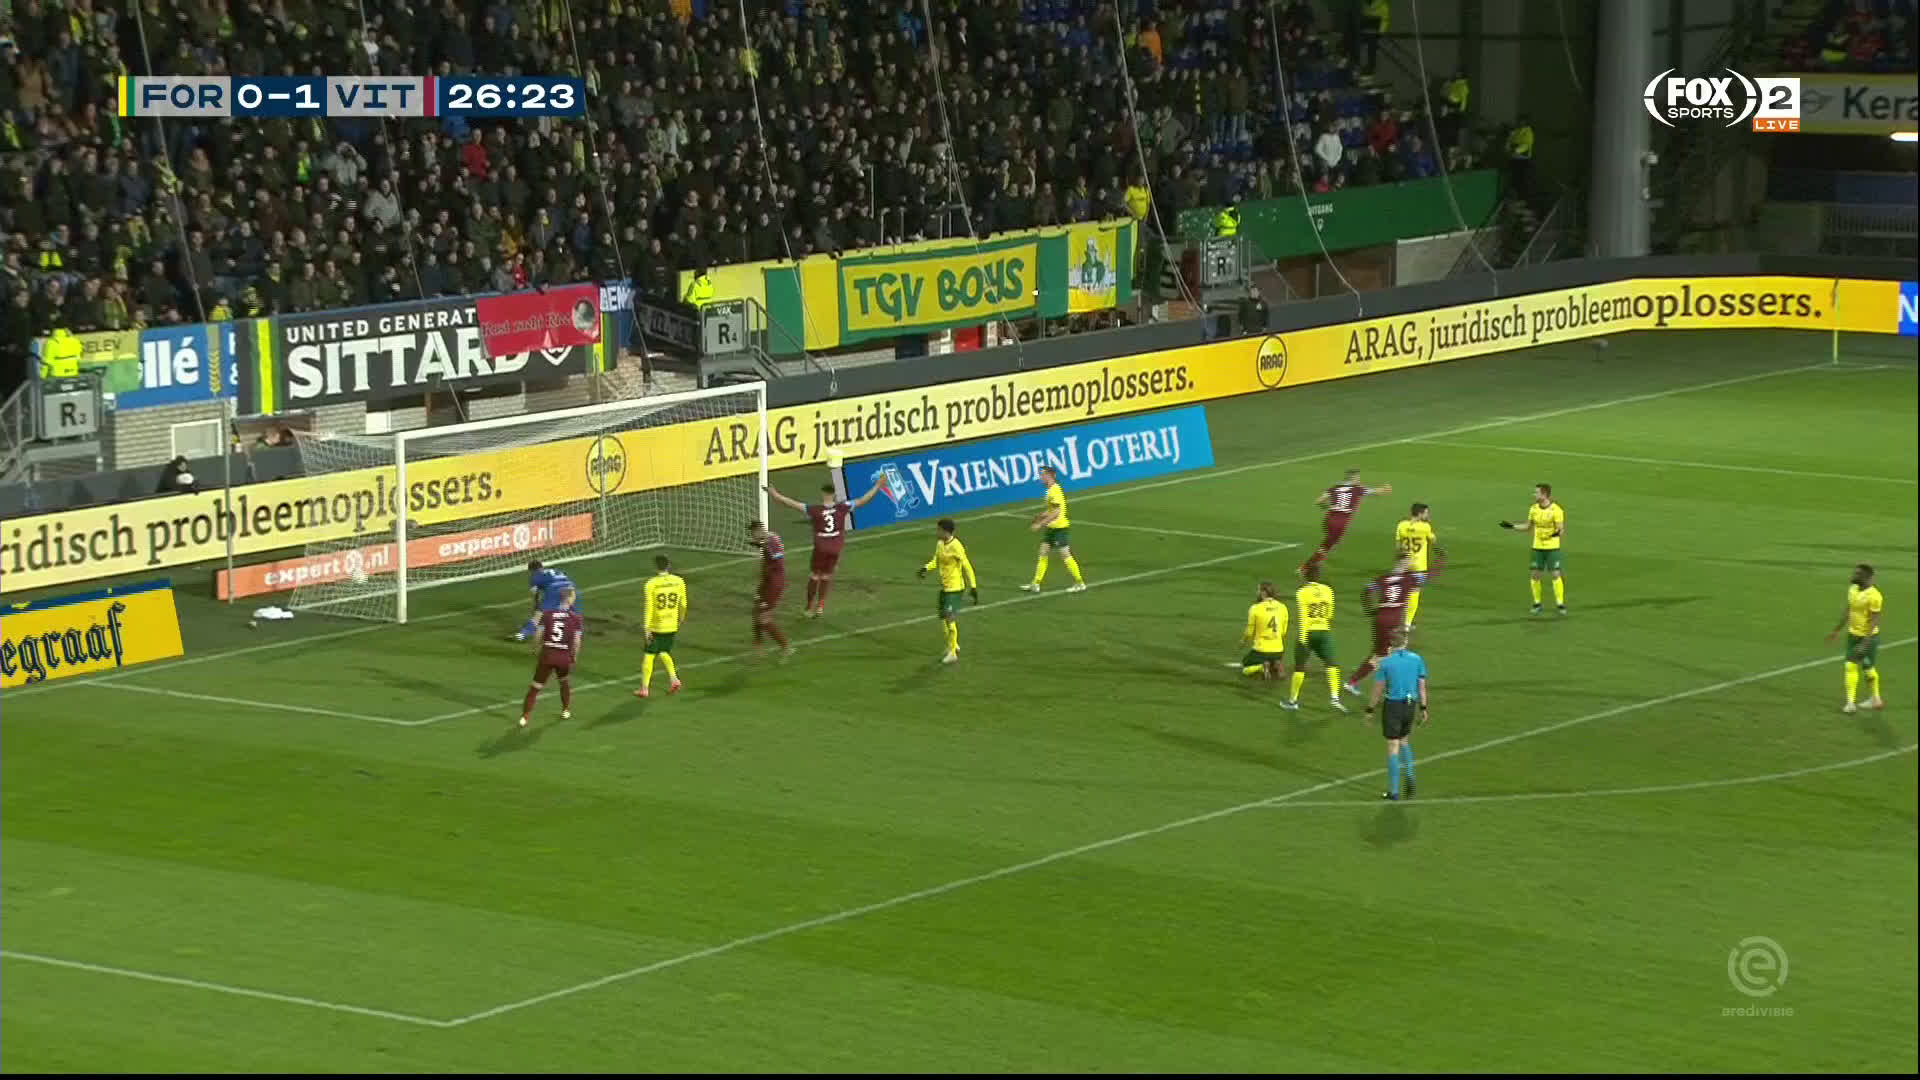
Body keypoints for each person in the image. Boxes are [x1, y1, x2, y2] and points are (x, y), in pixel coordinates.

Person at [766, 478, 885, 618]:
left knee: (815, 576)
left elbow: (791, 503)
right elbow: (863, 500)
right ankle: (821, 605)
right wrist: (877, 486)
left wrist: (775, 495)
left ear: (823, 494)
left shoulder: (814, 510)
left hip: (821, 547)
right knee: (826, 576)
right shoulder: (843, 507)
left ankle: (809, 607)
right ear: (834, 495)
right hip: (835, 548)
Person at [1344, 554, 1426, 694]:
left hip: (1381, 618)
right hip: (1392, 621)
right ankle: (1391, 687)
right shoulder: (1409, 579)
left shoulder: (1384, 578)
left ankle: (1354, 681)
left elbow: (1366, 591)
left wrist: (1370, 611)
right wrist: (1441, 557)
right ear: (1403, 562)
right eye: (1410, 560)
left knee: (1380, 653)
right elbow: (1429, 575)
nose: (1412, 562)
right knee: (1389, 654)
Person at [1365, 629, 1427, 800]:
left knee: (1393, 746)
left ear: (1391, 644)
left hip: (1393, 706)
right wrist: (1423, 708)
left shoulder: (1386, 663)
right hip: (1410, 705)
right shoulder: (1417, 659)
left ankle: (1394, 791)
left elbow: (1378, 689)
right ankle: (1410, 776)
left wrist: (1370, 709)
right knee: (1404, 740)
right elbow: (1422, 686)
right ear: (1405, 642)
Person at [1299, 468, 1392, 578]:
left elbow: (1319, 501)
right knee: (1327, 546)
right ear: (1354, 478)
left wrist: (1327, 507)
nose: (1359, 480)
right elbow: (1376, 492)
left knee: (1329, 543)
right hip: (1341, 521)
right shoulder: (1358, 489)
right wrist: (1386, 489)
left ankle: (1315, 563)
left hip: (1330, 517)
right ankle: (1306, 568)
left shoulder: (1335, 488)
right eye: (1358, 477)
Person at [919, 517, 979, 664]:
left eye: (938, 530)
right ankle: (953, 644)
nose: (936, 532)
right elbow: (936, 561)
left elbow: (967, 566)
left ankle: (952, 653)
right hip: (944, 587)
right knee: (943, 618)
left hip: (955, 588)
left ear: (945, 531)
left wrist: (973, 586)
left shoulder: (956, 546)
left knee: (950, 618)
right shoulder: (940, 544)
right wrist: (926, 568)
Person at [1827, 563, 1885, 713]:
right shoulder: (1852, 589)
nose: (1854, 576)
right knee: (1852, 666)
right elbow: (1849, 610)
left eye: (1857, 574)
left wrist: (1865, 642)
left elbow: (1874, 620)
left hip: (1868, 637)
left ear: (1866, 577)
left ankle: (1872, 700)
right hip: (1853, 635)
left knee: (1867, 669)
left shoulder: (1875, 596)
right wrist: (1837, 630)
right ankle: (1855, 702)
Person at [520, 589, 582, 728]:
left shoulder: (547, 614)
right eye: (573, 597)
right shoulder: (576, 618)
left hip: (548, 654)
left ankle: (525, 717)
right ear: (569, 599)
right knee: (564, 682)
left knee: (535, 687)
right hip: (564, 657)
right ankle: (565, 710)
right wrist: (574, 656)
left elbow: (538, 634)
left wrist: (535, 649)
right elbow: (577, 641)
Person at [1284, 568, 1344, 711]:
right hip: (1324, 631)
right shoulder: (1328, 590)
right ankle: (1335, 697)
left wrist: (1303, 638)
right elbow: (1330, 614)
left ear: (1306, 577)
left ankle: (1293, 701)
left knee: (1299, 668)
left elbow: (1303, 615)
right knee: (1331, 664)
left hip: (1308, 633)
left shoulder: (1302, 592)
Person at [1500, 483, 1565, 615]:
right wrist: (1512, 526)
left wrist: (1557, 533)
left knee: (1555, 574)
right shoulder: (1534, 509)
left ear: (1544, 494)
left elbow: (1560, 529)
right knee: (1535, 575)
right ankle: (1537, 603)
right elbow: (1527, 527)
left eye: (1537, 493)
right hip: (1537, 547)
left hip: (1552, 547)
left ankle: (1560, 603)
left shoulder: (1556, 510)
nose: (1534, 495)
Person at [1021, 465, 1087, 593]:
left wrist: (1040, 524)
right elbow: (1051, 509)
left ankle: (1080, 582)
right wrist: (1040, 515)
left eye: (1043, 475)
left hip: (1059, 528)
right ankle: (1036, 583)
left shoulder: (1054, 491)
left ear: (1049, 476)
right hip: (1052, 528)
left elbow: (1056, 513)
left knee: (1065, 554)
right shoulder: (1050, 490)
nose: (1041, 477)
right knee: (1043, 552)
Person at [635, 554, 689, 699]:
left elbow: (649, 607)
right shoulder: (679, 581)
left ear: (656, 567)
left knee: (649, 654)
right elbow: (683, 603)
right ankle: (674, 680)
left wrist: (647, 627)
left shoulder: (651, 584)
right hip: (671, 624)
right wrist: (681, 618)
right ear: (668, 565)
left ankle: (644, 689)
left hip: (656, 625)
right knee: (664, 651)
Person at [1394, 502, 1446, 631]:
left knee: (1400, 593)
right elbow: (1433, 540)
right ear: (1420, 514)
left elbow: (1398, 546)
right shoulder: (1425, 527)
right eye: (1426, 513)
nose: (1428, 515)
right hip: (1419, 566)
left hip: (1404, 564)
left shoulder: (1401, 525)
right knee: (1414, 593)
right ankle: (1407, 624)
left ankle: (1394, 621)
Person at [747, 519, 793, 658]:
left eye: (753, 533)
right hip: (765, 581)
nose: (752, 535)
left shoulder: (771, 541)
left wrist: (763, 545)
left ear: (759, 531)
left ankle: (786, 647)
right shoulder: (769, 538)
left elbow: (778, 555)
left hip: (774, 584)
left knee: (764, 617)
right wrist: (760, 544)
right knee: (756, 610)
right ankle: (758, 645)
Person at [513, 561, 583, 642]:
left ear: (531, 570)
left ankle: (521, 635)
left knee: (539, 616)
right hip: (572, 589)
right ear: (541, 567)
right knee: (572, 614)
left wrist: (537, 607)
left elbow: (536, 594)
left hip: (555, 590)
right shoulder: (556, 570)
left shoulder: (534, 577)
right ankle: (577, 634)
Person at [1240, 581, 1289, 683]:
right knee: (1272, 660)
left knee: (1245, 665)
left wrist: (1243, 641)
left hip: (1261, 650)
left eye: (1258, 590)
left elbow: (1249, 631)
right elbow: (1283, 632)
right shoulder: (1283, 607)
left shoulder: (1255, 608)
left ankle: (1262, 667)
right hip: (1278, 651)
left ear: (1263, 593)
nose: (1257, 592)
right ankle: (1276, 663)